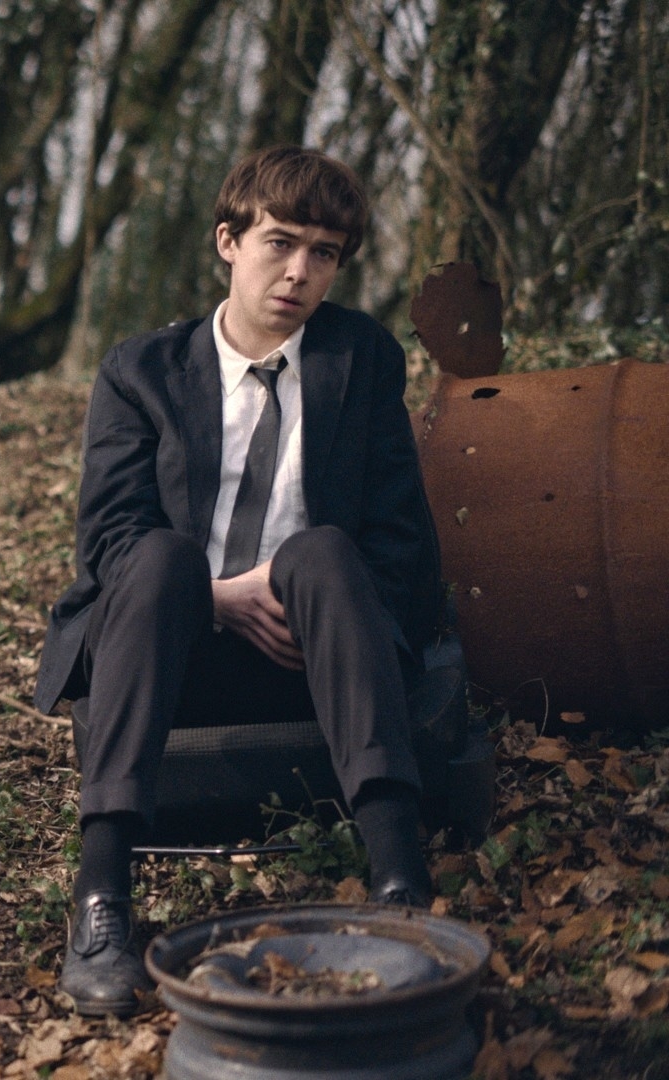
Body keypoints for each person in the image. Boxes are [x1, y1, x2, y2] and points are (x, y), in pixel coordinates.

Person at [32, 148, 443, 1017]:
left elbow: (400, 542)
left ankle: (402, 883)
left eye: (324, 254)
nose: (299, 272)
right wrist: (219, 596)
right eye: (280, 243)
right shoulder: (141, 371)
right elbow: (107, 544)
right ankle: (102, 901)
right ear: (228, 241)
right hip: (169, 649)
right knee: (161, 558)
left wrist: (299, 598)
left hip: (310, 650)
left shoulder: (359, 359)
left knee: (326, 552)